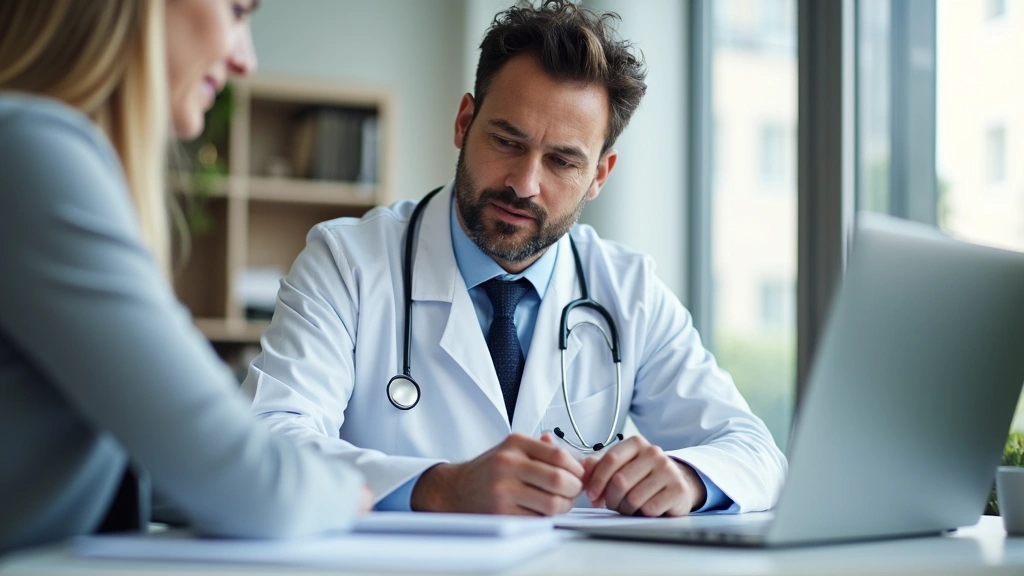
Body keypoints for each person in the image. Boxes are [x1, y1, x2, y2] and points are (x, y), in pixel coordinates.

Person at [243, 0, 787, 517]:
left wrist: (690, 478)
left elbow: (758, 455)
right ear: (464, 123)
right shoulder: (347, 263)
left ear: (599, 175)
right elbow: (266, 440)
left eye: (562, 162)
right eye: (506, 141)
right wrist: (440, 487)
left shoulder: (628, 289)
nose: (524, 184)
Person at [0, 0, 368, 554]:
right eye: (238, 11)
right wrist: (352, 493)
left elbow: (159, 463)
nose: (247, 60)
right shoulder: (29, 151)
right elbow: (255, 488)